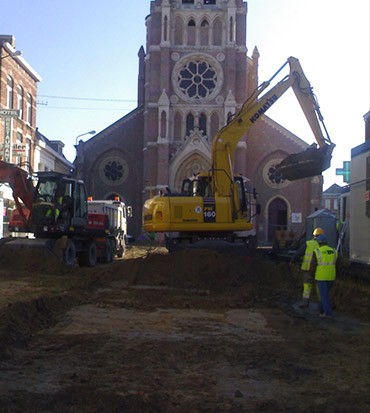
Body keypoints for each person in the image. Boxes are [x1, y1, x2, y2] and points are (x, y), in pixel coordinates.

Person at [290, 227, 325, 308]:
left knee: (307, 285)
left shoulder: (308, 243)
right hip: (318, 269)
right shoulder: (323, 244)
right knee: (318, 286)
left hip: (307, 268)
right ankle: (321, 303)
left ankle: (305, 302)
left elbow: (299, 253)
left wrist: (292, 260)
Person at [309, 234, 338, 318]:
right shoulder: (334, 251)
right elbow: (339, 264)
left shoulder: (317, 251)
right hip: (331, 276)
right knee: (324, 294)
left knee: (323, 295)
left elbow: (313, 265)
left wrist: (311, 275)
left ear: (318, 243)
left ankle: (328, 313)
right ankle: (321, 310)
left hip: (321, 277)